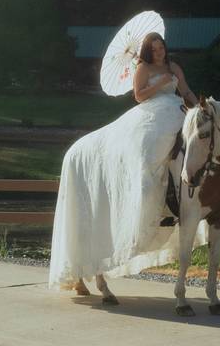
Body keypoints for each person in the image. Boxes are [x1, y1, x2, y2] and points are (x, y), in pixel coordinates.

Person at [48, 32, 201, 299]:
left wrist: (200, 109)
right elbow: (140, 96)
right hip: (153, 110)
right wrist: (162, 83)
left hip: (177, 108)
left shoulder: (174, 66)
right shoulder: (142, 68)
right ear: (147, 51)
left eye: (161, 46)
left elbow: (185, 90)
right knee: (151, 147)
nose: (159, 51)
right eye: (154, 49)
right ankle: (150, 196)